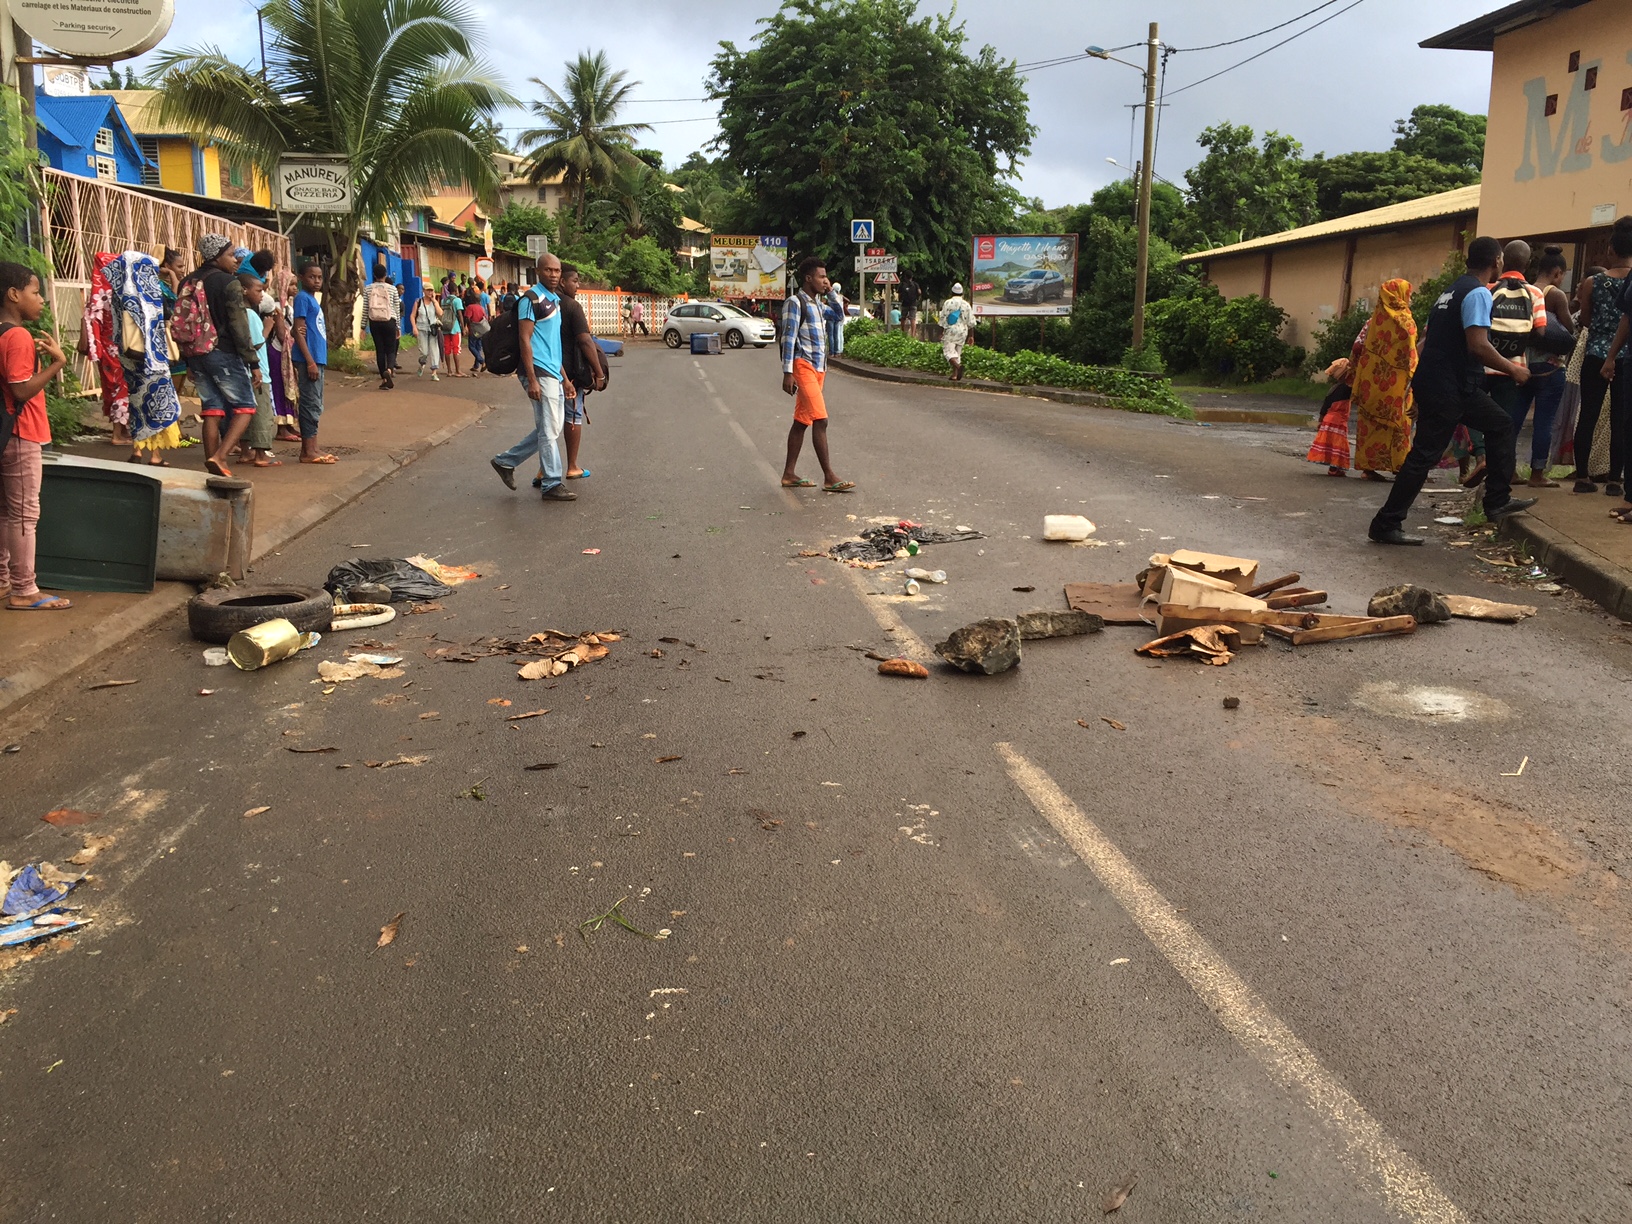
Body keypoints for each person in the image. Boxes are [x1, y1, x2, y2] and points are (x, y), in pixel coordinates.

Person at [1368, 236, 1535, 545]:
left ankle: (1497, 501)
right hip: (1452, 386)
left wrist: (1420, 388)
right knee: (1424, 454)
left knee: (1500, 425)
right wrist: (1513, 368)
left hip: (1444, 383)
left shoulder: (1449, 292)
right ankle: (1386, 523)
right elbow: (1478, 345)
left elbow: (1427, 343)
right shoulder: (1478, 294)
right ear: (1497, 261)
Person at [0, 262, 71, 610]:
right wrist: (57, 363)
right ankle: (25, 589)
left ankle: (3, 580)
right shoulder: (17, 336)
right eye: (35, 291)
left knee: (5, 511)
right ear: (14, 295)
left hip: (5, 435)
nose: (41, 299)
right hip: (20, 433)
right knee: (25, 513)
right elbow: (21, 390)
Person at [490, 252, 576, 501]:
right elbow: (524, 338)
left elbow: (553, 344)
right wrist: (532, 379)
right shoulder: (531, 299)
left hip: (553, 371)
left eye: (557, 271)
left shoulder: (555, 301)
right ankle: (551, 482)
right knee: (549, 431)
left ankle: (506, 461)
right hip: (538, 371)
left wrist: (565, 377)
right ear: (538, 271)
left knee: (550, 428)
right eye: (548, 270)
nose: (553, 274)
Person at [181, 234, 259, 478]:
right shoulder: (228, 282)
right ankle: (220, 456)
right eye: (229, 254)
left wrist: (188, 361)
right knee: (245, 406)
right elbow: (239, 324)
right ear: (215, 256)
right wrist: (253, 362)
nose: (235, 260)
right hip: (222, 352)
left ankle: (212, 465)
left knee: (212, 409)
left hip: (195, 353)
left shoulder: (188, 281)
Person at [778, 255, 854, 493]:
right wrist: (787, 372)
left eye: (826, 277)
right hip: (803, 365)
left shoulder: (819, 305)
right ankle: (829, 477)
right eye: (821, 277)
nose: (825, 280)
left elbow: (840, 316)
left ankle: (789, 474)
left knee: (801, 422)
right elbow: (788, 338)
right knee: (821, 419)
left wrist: (832, 293)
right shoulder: (795, 302)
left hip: (819, 368)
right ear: (808, 278)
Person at [105, 250, 183, 468]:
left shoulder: (119, 291)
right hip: (152, 358)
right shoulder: (148, 290)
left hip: (129, 355)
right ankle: (155, 455)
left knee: (137, 403)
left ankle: (137, 450)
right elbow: (166, 314)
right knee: (156, 405)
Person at [1508, 245, 1574, 489]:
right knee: (1543, 422)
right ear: (1557, 273)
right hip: (1550, 367)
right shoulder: (1555, 294)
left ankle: (1509, 469)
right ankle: (1537, 474)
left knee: (1514, 419)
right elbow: (1568, 330)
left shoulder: (1523, 290)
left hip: (1523, 365)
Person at [1576, 215, 1632, 499]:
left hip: (1596, 353)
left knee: (1588, 414)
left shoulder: (1592, 282)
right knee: (1621, 419)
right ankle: (1614, 479)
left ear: (1611, 249)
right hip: (1626, 356)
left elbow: (1585, 319)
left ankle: (1582, 476)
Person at [1350, 279, 1418, 480]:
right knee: (1400, 424)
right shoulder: (1406, 322)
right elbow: (1412, 356)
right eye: (1409, 294)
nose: (1411, 298)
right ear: (1400, 296)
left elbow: (1357, 347)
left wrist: (1356, 373)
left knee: (1370, 424)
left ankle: (1368, 468)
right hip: (1397, 386)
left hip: (1371, 383)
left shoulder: (1372, 323)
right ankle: (1399, 467)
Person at [557, 262, 607, 482]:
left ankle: (544, 469)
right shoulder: (571, 307)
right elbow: (585, 341)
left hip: (547, 371)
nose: (578, 285)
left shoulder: (545, 303)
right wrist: (599, 373)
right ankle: (572, 466)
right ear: (562, 281)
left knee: (549, 422)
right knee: (573, 417)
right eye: (575, 281)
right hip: (571, 374)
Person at [291, 260, 336, 465]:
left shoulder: (312, 299)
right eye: (312, 277)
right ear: (301, 278)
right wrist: (309, 361)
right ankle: (307, 451)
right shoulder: (301, 298)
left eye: (319, 277)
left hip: (318, 358)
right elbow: (298, 331)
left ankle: (314, 447)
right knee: (310, 403)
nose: (316, 281)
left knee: (316, 404)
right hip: (309, 359)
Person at [237, 274, 279, 467]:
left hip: (242, 371)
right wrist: (268, 328)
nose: (262, 295)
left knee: (244, 411)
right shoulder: (252, 315)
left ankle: (245, 451)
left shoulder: (237, 314)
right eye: (259, 290)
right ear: (245, 291)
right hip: (258, 371)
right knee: (262, 412)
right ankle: (261, 455)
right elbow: (256, 343)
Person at [266, 267, 301, 441]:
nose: (295, 288)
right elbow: (281, 334)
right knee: (280, 386)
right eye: (291, 284)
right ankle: (281, 428)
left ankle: (289, 424)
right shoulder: (277, 307)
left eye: (295, 284)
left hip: (286, 350)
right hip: (278, 351)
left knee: (289, 386)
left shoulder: (288, 305)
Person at [1306, 357, 1354, 476]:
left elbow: (1325, 405)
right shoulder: (1348, 388)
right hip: (1338, 421)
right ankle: (1334, 468)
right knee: (1338, 444)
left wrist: (1320, 421)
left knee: (1330, 444)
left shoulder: (1333, 389)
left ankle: (1333, 467)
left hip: (1328, 418)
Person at [157, 247, 190, 397]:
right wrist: (173, 277)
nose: (183, 270)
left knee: (176, 392)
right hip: (166, 342)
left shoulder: (167, 286)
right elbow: (176, 306)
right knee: (169, 393)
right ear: (167, 266)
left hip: (176, 342)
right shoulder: (157, 286)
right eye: (179, 266)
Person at [363, 265, 401, 390]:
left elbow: (365, 309)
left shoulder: (368, 289)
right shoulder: (392, 289)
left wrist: (363, 327)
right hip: (389, 320)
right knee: (390, 349)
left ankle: (384, 379)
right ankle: (389, 371)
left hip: (374, 321)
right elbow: (396, 308)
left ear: (374, 275)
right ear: (385, 274)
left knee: (380, 350)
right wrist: (398, 327)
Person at [940, 282, 972, 380]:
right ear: (962, 293)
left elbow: (943, 318)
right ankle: (955, 375)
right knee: (957, 353)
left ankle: (958, 367)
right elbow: (971, 321)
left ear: (952, 292)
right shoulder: (966, 304)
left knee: (948, 352)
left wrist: (941, 331)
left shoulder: (948, 303)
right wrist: (971, 336)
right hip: (963, 331)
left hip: (951, 331)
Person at [412, 290, 442, 381]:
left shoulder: (434, 302)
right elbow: (412, 316)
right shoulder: (418, 302)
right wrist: (414, 327)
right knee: (424, 352)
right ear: (424, 291)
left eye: (431, 291)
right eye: (428, 290)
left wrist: (435, 301)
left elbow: (440, 313)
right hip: (421, 329)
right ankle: (422, 363)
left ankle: (434, 372)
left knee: (434, 350)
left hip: (433, 330)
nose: (430, 292)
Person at [440, 286, 464, 377]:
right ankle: (458, 370)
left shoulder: (443, 301)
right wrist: (463, 326)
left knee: (447, 349)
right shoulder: (457, 300)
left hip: (445, 327)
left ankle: (449, 371)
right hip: (455, 327)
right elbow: (460, 314)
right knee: (456, 349)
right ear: (456, 290)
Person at [463, 288, 487, 375]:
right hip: (481, 330)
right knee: (478, 347)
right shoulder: (481, 308)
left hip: (474, 330)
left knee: (471, 346)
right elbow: (485, 318)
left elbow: (467, 318)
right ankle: (476, 365)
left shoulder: (470, 307)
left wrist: (466, 326)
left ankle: (482, 361)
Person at [900, 274, 920, 339]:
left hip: (905, 304)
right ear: (912, 277)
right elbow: (919, 292)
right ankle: (913, 334)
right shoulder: (915, 284)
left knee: (903, 318)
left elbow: (899, 293)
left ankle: (902, 332)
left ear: (905, 277)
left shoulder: (902, 284)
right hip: (913, 304)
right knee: (912, 319)